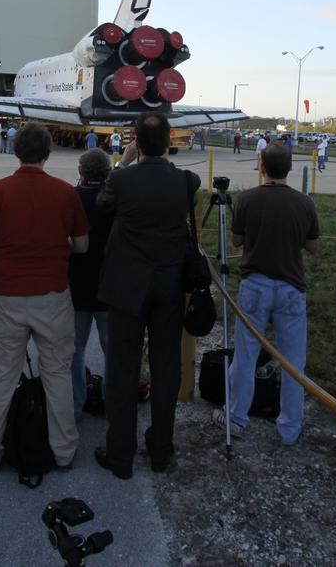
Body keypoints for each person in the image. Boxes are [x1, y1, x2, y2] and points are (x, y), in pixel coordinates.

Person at [0, 122, 86, 472]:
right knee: (57, 374)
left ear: (16, 151)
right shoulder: (66, 193)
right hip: (52, 295)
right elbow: (82, 245)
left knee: (2, 376)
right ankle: (64, 450)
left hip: (7, 295)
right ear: (48, 153)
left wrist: (8, 250)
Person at [95, 113, 197, 479]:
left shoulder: (123, 180)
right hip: (169, 286)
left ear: (136, 140)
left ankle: (121, 454)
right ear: (169, 140)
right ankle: (160, 450)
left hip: (127, 287)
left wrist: (123, 161)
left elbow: (103, 203)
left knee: (122, 369)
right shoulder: (187, 181)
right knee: (165, 368)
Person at [216, 141, 319, 443]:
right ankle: (289, 428)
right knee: (292, 361)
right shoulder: (304, 203)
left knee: (245, 355)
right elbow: (313, 247)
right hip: (290, 288)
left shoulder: (248, 199)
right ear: (289, 168)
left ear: (261, 166)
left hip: (255, 286)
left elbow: (235, 242)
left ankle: (236, 417)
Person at [69, 149, 114, 421]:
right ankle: (112, 403)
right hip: (110, 288)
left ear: (81, 172)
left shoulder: (72, 198)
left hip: (77, 286)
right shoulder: (114, 201)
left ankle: (75, 406)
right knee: (113, 351)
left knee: (75, 350)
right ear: (107, 173)